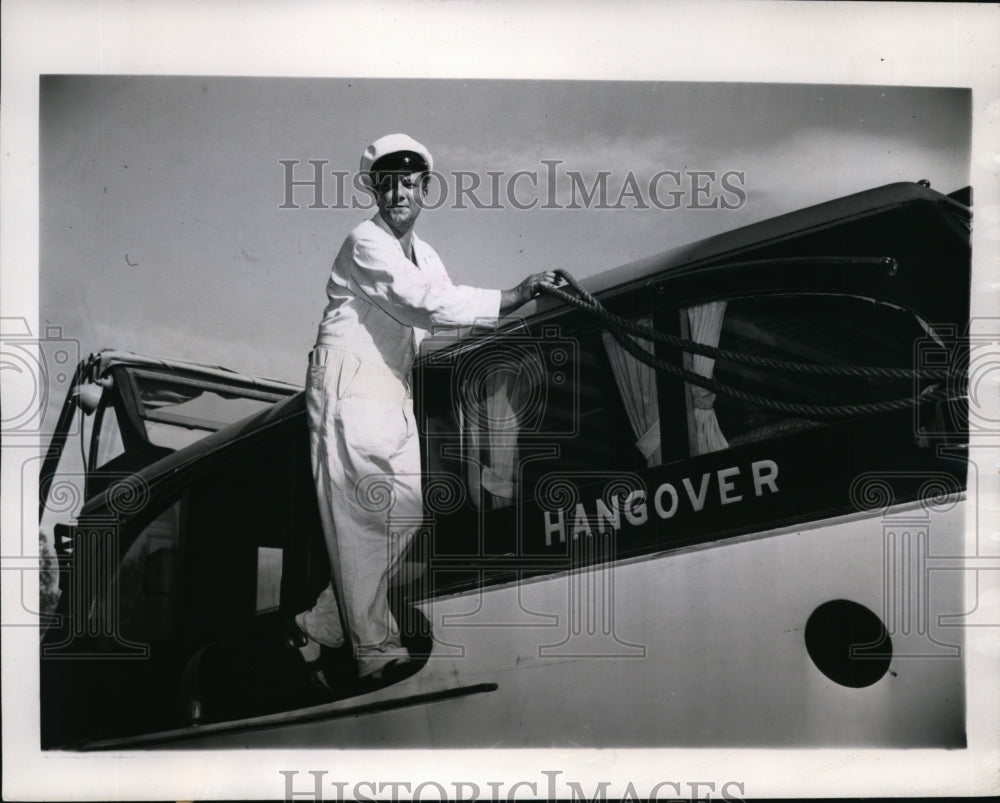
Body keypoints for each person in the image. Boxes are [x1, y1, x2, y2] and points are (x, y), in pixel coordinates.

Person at [295, 133, 559, 682]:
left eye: (409, 185)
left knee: (408, 513)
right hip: (349, 384)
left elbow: (444, 312)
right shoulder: (365, 241)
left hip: (392, 387)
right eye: (387, 186)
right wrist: (513, 295)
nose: (398, 196)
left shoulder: (427, 253)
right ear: (375, 190)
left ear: (425, 189)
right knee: (364, 520)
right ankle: (376, 655)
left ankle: (321, 624)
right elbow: (426, 304)